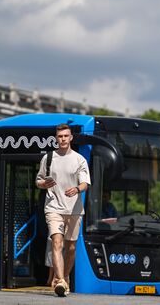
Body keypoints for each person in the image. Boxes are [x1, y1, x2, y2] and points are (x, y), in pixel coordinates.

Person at [36, 123, 91, 297]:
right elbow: (38, 181)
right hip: (53, 207)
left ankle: (65, 275)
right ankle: (60, 281)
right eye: (60, 136)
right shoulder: (48, 158)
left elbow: (85, 183)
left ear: (71, 138)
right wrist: (44, 184)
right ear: (56, 138)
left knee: (71, 248)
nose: (63, 139)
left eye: (66, 136)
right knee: (57, 243)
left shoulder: (79, 159)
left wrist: (77, 189)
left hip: (74, 209)